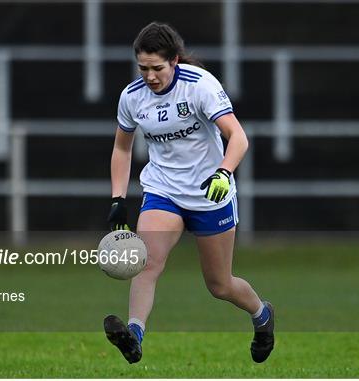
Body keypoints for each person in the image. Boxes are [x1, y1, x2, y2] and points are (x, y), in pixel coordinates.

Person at [104, 21, 274, 364]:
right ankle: (134, 335)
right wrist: (118, 199)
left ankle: (262, 315)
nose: (150, 76)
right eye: (143, 68)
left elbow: (238, 137)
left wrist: (224, 173)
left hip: (209, 193)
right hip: (163, 190)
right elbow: (122, 149)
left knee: (220, 285)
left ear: (175, 61)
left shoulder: (200, 87)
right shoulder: (132, 97)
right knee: (147, 263)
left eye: (157, 68)